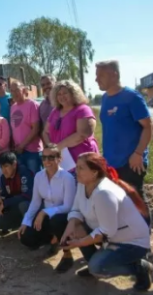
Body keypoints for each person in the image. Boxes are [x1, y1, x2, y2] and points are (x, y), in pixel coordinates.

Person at [60, 152, 152, 291]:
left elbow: (106, 231)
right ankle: (97, 263)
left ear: (94, 172)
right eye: (77, 167)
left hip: (130, 243)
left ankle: (139, 267)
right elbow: (76, 209)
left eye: (81, 168)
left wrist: (78, 243)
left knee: (97, 268)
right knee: (76, 230)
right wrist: (70, 226)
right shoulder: (83, 184)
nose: (76, 171)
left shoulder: (104, 193)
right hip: (110, 234)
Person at [96, 60, 152, 211]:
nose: (96, 79)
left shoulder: (132, 97)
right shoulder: (105, 98)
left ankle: (144, 233)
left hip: (131, 162)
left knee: (136, 199)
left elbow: (148, 127)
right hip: (112, 162)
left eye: (100, 75)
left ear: (114, 75)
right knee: (120, 202)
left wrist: (138, 153)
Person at [18, 144, 76, 273]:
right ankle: (53, 240)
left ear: (59, 159)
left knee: (56, 221)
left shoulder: (68, 178)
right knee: (26, 238)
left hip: (63, 217)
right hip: (46, 216)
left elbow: (68, 206)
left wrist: (45, 211)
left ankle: (67, 255)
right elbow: (34, 202)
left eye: (51, 157)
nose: (47, 161)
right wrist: (25, 222)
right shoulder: (39, 176)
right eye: (44, 158)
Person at [43, 80, 99, 165]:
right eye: (59, 94)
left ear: (73, 93)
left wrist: (57, 148)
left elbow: (82, 134)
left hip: (83, 161)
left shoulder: (83, 109)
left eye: (65, 93)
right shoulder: (55, 112)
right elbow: (45, 132)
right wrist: (50, 148)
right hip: (62, 162)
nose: (62, 96)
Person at [0, 152, 34, 233]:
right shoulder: (3, 178)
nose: (3, 170)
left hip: (31, 206)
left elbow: (27, 196)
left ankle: (31, 230)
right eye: (1, 167)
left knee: (24, 205)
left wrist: (5, 203)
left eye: (6, 166)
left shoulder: (24, 173)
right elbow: (5, 194)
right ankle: (19, 225)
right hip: (15, 206)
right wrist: (0, 198)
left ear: (14, 164)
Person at [10, 81, 42, 174]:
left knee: (35, 180)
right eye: (11, 91)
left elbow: (35, 129)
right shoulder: (13, 107)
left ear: (23, 90)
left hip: (32, 151)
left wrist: (22, 145)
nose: (14, 93)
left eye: (16, 90)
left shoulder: (32, 105)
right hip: (18, 151)